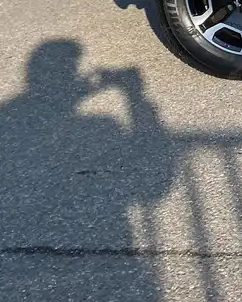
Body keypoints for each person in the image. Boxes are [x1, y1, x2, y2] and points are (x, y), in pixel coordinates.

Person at [0, 40, 174, 302]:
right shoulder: (102, 125)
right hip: (113, 270)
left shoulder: (11, 111)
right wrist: (134, 95)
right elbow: (154, 188)